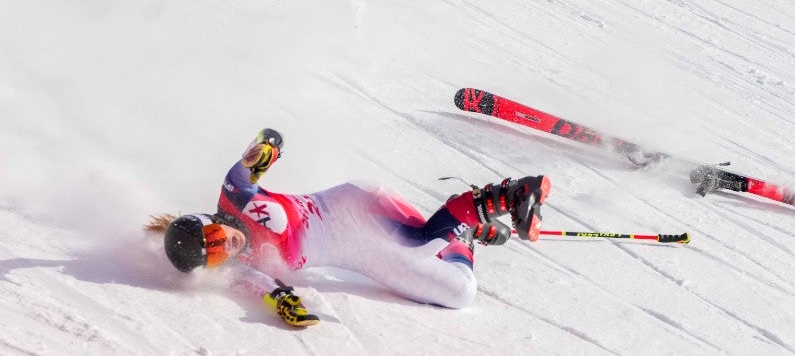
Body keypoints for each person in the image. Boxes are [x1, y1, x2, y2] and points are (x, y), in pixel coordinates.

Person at [148, 129, 551, 327]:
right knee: (459, 292)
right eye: (217, 254)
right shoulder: (239, 268)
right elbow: (265, 289)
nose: (228, 246)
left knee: (414, 243)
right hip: (357, 252)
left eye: (216, 237)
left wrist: (265, 148)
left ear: (209, 221)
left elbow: (259, 152)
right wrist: (287, 305)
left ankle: (509, 194)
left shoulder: (234, 196)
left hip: (353, 207)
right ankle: (464, 231)